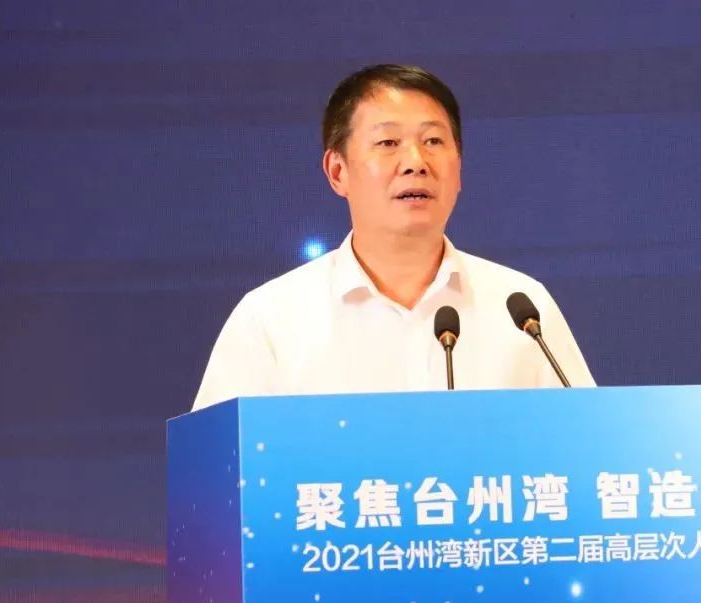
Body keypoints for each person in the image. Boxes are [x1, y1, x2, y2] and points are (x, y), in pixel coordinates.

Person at [192, 64, 593, 412]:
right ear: (337, 171)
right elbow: (215, 470)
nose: (416, 162)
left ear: (458, 170)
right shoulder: (271, 319)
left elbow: (589, 448)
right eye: (388, 143)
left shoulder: (522, 312)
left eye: (433, 141)